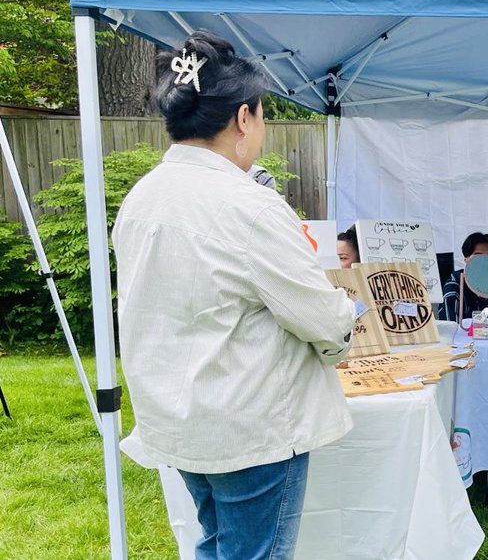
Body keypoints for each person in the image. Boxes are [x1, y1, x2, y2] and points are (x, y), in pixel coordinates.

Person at [113, 31, 357, 560]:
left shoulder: (141, 197)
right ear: (244, 118)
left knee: (215, 545)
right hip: (251, 425)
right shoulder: (248, 206)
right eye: (264, 115)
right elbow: (323, 317)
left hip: (179, 416)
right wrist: (345, 328)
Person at [440, 232, 488, 322]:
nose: (485, 261)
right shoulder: (454, 288)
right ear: (466, 260)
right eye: (478, 257)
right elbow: (450, 328)